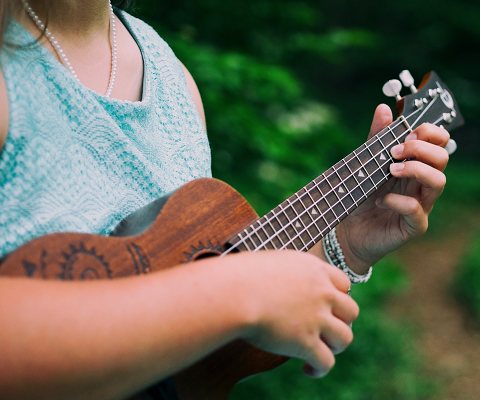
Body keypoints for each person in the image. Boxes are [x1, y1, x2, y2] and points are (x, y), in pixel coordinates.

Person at [0, 1, 451, 399]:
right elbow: (216, 296)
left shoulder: (173, 80)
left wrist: (344, 243)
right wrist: (235, 293)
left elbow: (186, 339)